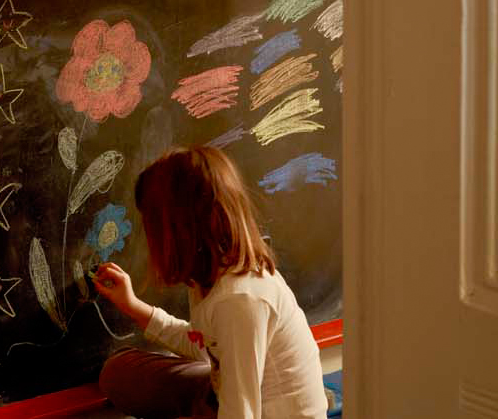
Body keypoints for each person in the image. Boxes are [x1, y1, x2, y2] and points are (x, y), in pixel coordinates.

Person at [92, 145, 327, 419]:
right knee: (118, 374)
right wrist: (132, 305)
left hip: (255, 409)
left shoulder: (240, 300)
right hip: (223, 386)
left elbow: (240, 412)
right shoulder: (208, 275)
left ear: (177, 231)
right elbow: (204, 345)